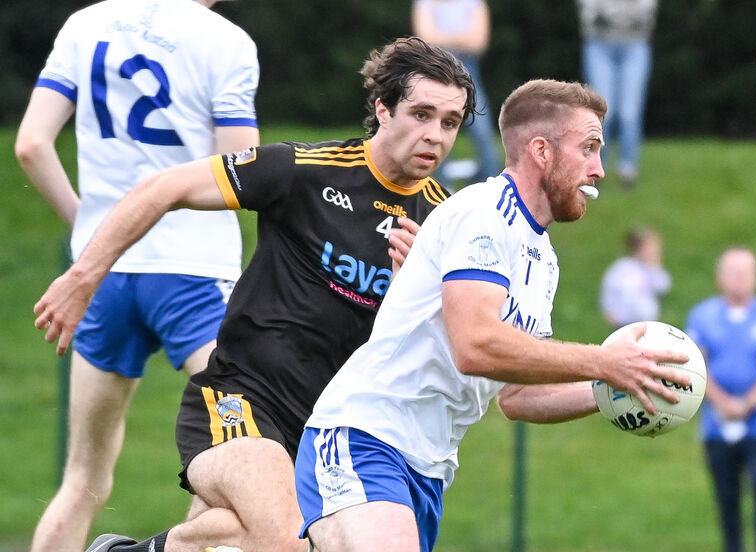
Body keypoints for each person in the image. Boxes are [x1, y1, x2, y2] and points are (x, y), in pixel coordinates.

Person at [33, 37, 477, 552]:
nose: (435, 136)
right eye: (421, 114)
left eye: (450, 122)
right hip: (241, 400)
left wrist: (418, 287)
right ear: (382, 110)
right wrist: (83, 276)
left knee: (234, 540)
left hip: (333, 434)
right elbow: (162, 188)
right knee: (287, 541)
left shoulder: (444, 226)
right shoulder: (303, 171)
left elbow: (454, 348)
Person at [294, 78, 692, 552]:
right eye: (589, 148)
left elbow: (519, 397)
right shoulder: (483, 214)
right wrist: (605, 362)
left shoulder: (543, 260)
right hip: (364, 436)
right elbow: (475, 345)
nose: (599, 169)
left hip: (427, 470)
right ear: (541, 150)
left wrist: (615, 388)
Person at [14, 1, 259, 551]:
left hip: (105, 280)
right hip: (193, 275)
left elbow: (31, 145)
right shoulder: (225, 41)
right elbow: (243, 169)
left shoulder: (85, 23)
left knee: (81, 481)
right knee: (248, 471)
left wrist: (94, 234)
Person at [685, 248, 756, 552]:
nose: (741, 279)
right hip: (718, 424)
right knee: (726, 495)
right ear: (720, 277)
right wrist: (722, 403)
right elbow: (694, 363)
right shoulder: (703, 315)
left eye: (747, 272)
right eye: (734, 272)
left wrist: (748, 403)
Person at [412, 0, 502, 187]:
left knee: (482, 129)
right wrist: (462, 39)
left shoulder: (472, 3)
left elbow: (478, 42)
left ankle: (492, 183)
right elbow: (426, 39)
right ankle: (438, 186)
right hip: (434, 70)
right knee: (434, 127)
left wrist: (442, 39)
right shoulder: (426, 3)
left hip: (468, 71)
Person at [576, 0, 659, 188]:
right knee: (602, 111)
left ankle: (628, 170)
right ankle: (596, 168)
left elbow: (645, 12)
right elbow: (590, 14)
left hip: (635, 45)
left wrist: (611, 14)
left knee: (630, 113)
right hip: (598, 45)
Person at [600, 226, 671, 328]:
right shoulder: (622, 268)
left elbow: (663, 286)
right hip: (624, 323)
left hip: (648, 323)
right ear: (638, 248)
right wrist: (609, 310)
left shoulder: (651, 268)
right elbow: (611, 289)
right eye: (651, 247)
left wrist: (655, 267)